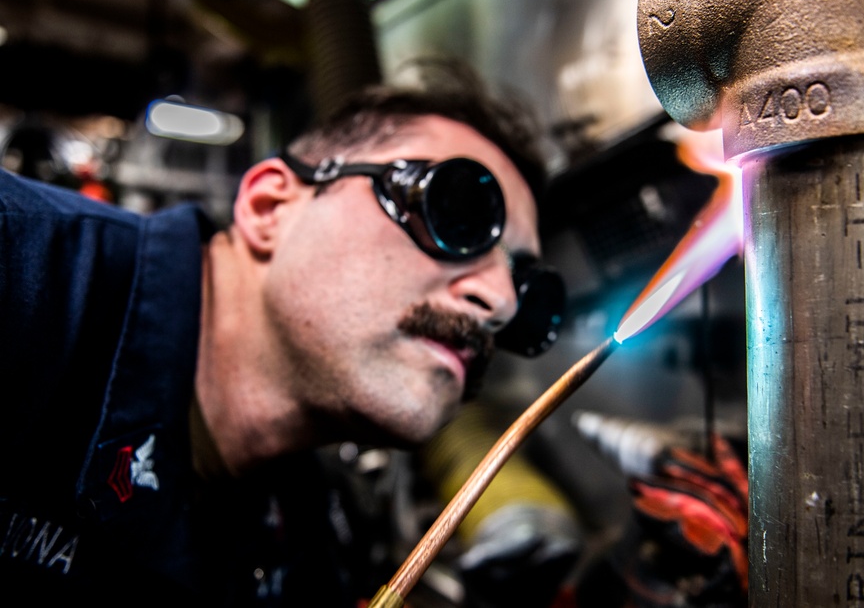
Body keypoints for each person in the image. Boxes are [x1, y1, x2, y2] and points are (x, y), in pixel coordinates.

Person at [0, 61, 566, 606]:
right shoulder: (21, 268)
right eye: (457, 214)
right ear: (269, 206)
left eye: (525, 289)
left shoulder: (314, 542)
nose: (500, 302)